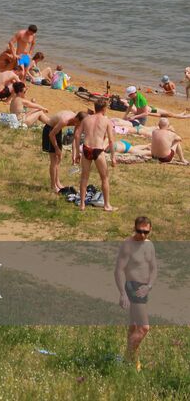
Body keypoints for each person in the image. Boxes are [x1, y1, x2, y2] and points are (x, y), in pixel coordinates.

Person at [114, 216, 156, 370]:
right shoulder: (128, 245)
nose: (142, 235)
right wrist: (122, 293)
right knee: (144, 327)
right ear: (134, 228)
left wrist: (149, 285)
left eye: (146, 232)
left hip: (143, 288)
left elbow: (153, 268)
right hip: (132, 288)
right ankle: (126, 360)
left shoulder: (149, 245)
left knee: (133, 326)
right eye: (139, 231)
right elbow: (118, 270)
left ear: (150, 230)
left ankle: (133, 361)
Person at [73, 99, 116, 211]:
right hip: (98, 150)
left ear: (95, 107)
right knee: (104, 178)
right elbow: (111, 140)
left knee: (84, 177)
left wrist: (77, 152)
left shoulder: (86, 119)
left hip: (86, 149)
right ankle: (107, 205)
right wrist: (113, 156)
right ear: (104, 109)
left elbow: (77, 135)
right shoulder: (107, 121)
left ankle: (82, 204)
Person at [42, 110, 89, 193]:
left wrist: (75, 155)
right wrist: (56, 148)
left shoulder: (77, 122)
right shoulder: (65, 120)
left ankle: (57, 183)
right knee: (54, 160)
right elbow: (51, 135)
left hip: (57, 131)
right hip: (50, 130)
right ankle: (53, 185)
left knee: (58, 159)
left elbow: (75, 138)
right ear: (77, 119)